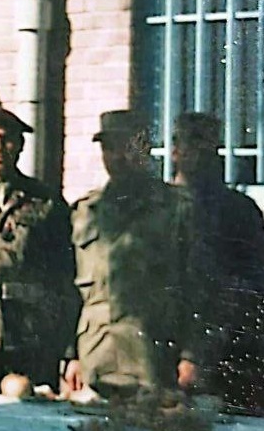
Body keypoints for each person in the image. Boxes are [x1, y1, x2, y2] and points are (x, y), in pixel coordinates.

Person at [63, 110, 200, 398]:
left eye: (127, 146)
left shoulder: (176, 208)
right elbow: (71, 291)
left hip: (153, 358)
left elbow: (199, 288)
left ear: (144, 149)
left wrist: (192, 356)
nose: (118, 157)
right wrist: (70, 355)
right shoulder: (84, 212)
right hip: (95, 355)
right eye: (109, 148)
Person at [0, 105, 78, 388]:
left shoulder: (45, 201)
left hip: (29, 335)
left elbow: (64, 275)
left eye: (6, 139)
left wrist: (68, 349)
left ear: (19, 146)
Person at [171, 111, 264, 407]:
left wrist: (201, 352)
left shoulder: (237, 210)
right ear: (174, 148)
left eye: (204, 144)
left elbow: (251, 284)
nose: (196, 152)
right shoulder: (154, 205)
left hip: (218, 350)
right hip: (156, 348)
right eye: (189, 142)